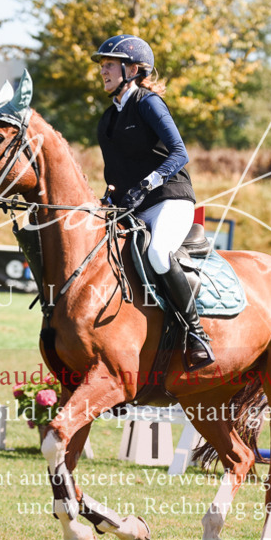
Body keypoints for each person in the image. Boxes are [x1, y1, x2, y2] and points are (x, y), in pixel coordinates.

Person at [91, 34, 215, 371]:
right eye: (102, 66)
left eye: (109, 65)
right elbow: (115, 171)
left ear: (132, 69)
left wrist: (148, 182)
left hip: (168, 198)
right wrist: (108, 198)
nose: (103, 71)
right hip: (133, 205)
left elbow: (180, 153)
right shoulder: (107, 119)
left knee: (159, 253)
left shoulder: (148, 103)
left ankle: (196, 333)